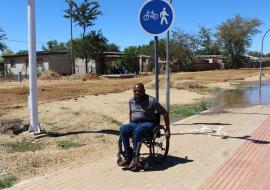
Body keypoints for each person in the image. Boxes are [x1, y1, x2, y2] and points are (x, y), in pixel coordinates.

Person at [118, 83, 170, 169]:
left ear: (144, 91)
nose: (136, 93)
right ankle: (128, 156)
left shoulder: (152, 100)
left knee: (138, 130)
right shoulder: (131, 100)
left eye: (138, 91)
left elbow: (165, 113)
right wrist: (130, 124)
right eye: (134, 91)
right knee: (123, 129)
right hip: (135, 124)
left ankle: (135, 157)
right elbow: (131, 112)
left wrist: (167, 129)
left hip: (149, 123)